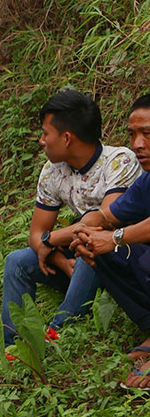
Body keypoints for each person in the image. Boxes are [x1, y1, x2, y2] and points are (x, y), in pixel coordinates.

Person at [0, 91, 137, 346]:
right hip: (76, 253)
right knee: (17, 262)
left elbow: (105, 221)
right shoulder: (53, 171)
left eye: (45, 133)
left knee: (89, 242)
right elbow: (35, 235)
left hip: (123, 253)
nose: (41, 141)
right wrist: (61, 262)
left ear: (66, 137)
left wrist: (51, 239)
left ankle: (58, 333)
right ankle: (17, 345)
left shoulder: (118, 161)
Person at [72, 93, 150, 389]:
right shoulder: (146, 180)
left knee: (120, 246)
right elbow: (107, 215)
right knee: (103, 248)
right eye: (132, 134)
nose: (137, 144)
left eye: (147, 134)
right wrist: (86, 229)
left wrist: (115, 238)